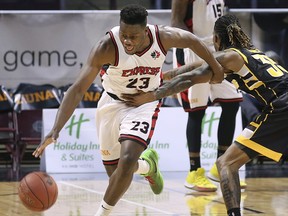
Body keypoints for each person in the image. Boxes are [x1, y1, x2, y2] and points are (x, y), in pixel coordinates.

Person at [32, 4, 224, 216]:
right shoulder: (107, 46)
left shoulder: (163, 37)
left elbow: (194, 41)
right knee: (115, 173)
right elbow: (77, 90)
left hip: (144, 103)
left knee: (127, 160)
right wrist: (56, 128)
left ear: (145, 30)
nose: (128, 41)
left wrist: (216, 68)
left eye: (133, 36)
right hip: (111, 103)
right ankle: (147, 166)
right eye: (124, 35)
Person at [122, 13, 288, 216]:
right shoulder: (251, 53)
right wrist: (165, 75)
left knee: (226, 164)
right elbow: (195, 67)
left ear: (216, 39)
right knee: (228, 162)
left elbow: (191, 78)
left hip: (282, 106)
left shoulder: (230, 56)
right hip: (281, 103)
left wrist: (152, 96)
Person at [170, 0, 243, 192]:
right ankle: (194, 171)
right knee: (197, 111)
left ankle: (221, 166)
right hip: (194, 48)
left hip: (218, 46)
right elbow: (175, 21)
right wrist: (192, 44)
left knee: (232, 103)